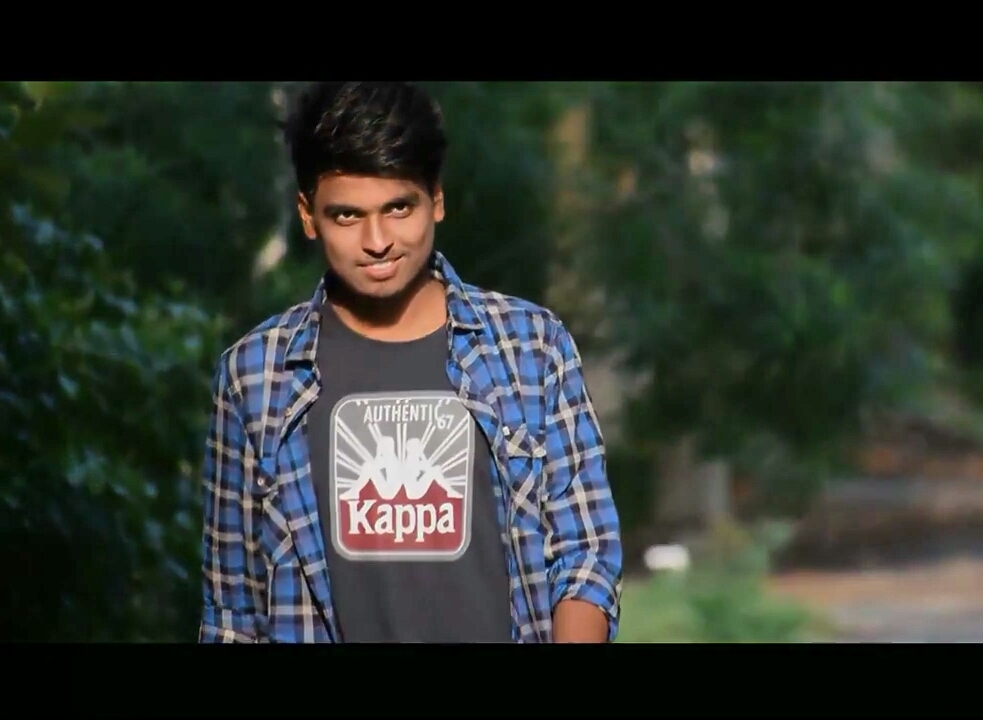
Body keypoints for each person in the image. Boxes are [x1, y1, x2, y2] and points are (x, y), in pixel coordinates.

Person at [198, 81, 623, 643]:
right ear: (308, 215)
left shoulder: (531, 347)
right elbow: (232, 609)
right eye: (347, 216)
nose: (377, 240)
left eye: (398, 208)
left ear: (436, 200)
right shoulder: (255, 376)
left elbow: (585, 555)